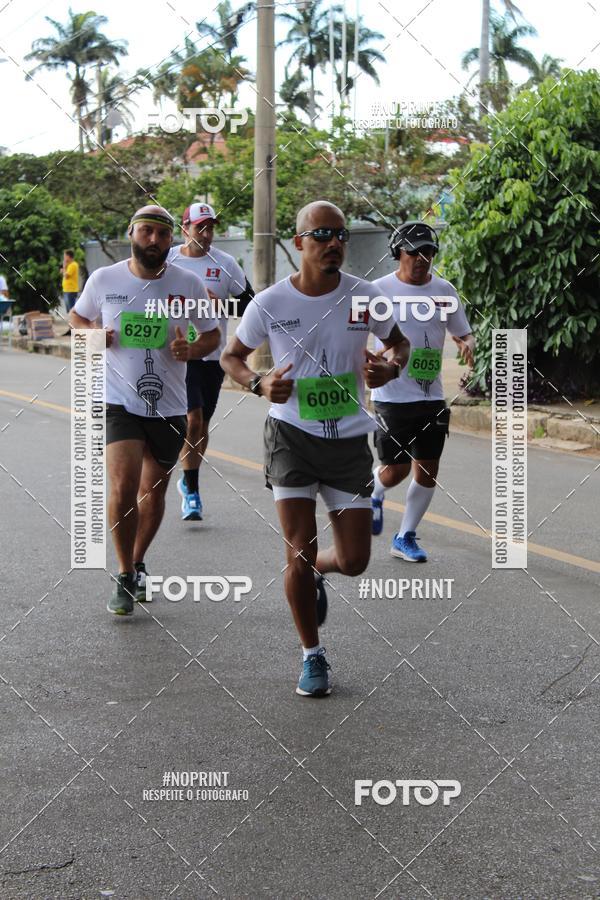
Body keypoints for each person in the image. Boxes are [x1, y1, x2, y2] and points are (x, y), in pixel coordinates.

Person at [221, 200, 410, 697]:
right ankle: (312, 654)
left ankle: (319, 571)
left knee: (354, 562)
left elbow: (400, 345)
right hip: (291, 437)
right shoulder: (269, 303)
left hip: (348, 440)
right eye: (322, 234)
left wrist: (390, 368)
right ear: (300, 242)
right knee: (297, 550)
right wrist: (259, 383)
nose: (334, 244)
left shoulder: (366, 297)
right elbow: (232, 357)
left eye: (341, 235)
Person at [69, 205, 220, 615]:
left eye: (161, 234)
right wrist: (95, 335)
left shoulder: (187, 284)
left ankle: (136, 562)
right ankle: (122, 574)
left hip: (169, 406)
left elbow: (212, 335)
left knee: (152, 494)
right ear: (132, 233)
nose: (153, 240)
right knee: (122, 488)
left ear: (171, 240)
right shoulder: (105, 279)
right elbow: (77, 318)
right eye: (146, 232)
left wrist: (191, 349)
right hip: (118, 400)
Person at [370, 221, 475, 561]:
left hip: (431, 396)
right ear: (397, 253)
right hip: (391, 394)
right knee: (395, 470)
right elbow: (354, 335)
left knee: (427, 470)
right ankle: (375, 490)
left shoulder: (444, 290)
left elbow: (462, 331)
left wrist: (467, 342)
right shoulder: (376, 291)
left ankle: (405, 536)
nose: (421, 258)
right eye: (414, 252)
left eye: (428, 252)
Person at [169, 202, 254, 520]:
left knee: (202, 423)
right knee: (191, 420)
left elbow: (250, 305)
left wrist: (221, 305)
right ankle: (192, 492)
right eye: (199, 227)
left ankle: (188, 479)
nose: (206, 234)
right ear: (185, 228)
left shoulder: (226, 264)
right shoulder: (169, 260)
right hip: (177, 354)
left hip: (211, 354)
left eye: (211, 227)